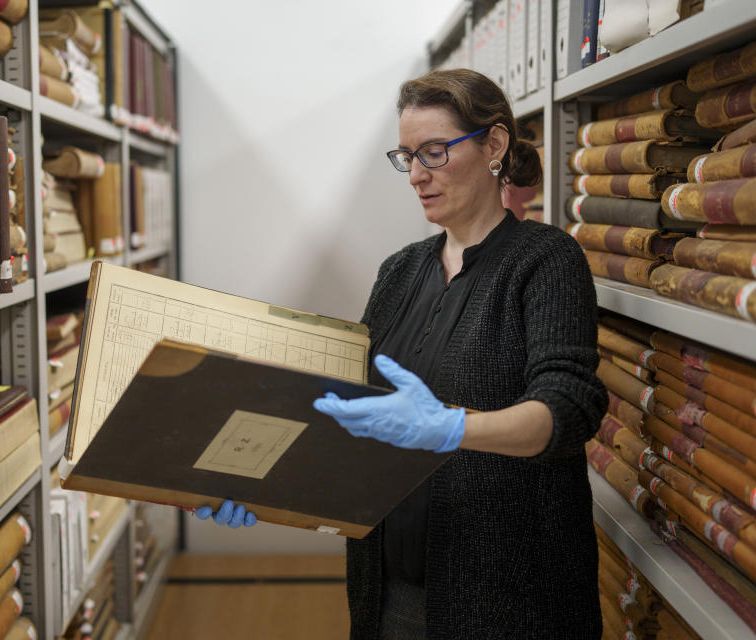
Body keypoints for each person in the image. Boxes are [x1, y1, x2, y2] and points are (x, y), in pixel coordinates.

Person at [196, 68, 607, 639]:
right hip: (388, 593)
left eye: (434, 152)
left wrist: (448, 429)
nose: (416, 175)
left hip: (510, 603)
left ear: (494, 145)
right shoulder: (399, 272)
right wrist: (258, 484)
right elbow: (351, 422)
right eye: (406, 156)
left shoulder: (547, 261)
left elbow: (568, 410)